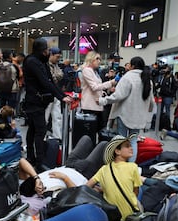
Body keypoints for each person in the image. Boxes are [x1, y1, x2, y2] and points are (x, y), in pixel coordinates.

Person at [22, 38, 72, 172]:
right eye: (46, 49)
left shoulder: (39, 61)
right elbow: (45, 82)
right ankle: (39, 162)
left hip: (39, 101)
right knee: (40, 131)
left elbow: (50, 80)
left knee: (33, 130)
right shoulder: (33, 61)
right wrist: (61, 97)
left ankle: (32, 157)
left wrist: (60, 95)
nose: (48, 52)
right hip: (34, 102)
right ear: (42, 50)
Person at [99, 57, 155, 162]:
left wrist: (104, 100)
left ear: (132, 66)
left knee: (121, 140)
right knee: (133, 141)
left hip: (124, 114)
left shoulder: (128, 77)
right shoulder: (147, 80)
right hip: (138, 117)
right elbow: (151, 101)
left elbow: (118, 96)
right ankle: (130, 166)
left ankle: (122, 165)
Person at [86, 135, 142, 221]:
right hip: (129, 215)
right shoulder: (133, 167)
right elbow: (136, 191)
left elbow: (87, 186)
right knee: (139, 189)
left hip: (112, 216)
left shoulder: (103, 169)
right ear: (117, 151)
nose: (131, 148)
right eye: (127, 146)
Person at [80, 51, 117, 137]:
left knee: (100, 131)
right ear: (91, 59)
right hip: (90, 106)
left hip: (97, 104)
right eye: (97, 59)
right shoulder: (87, 70)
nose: (99, 61)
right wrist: (110, 82)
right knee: (92, 133)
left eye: (99, 59)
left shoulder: (94, 72)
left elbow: (97, 87)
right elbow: (94, 87)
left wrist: (104, 92)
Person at [45, 47, 64, 140]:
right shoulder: (45, 65)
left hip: (55, 93)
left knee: (57, 116)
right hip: (47, 94)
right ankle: (42, 138)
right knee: (45, 117)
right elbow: (54, 77)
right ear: (51, 55)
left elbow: (59, 76)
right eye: (57, 57)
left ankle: (58, 137)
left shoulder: (56, 65)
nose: (58, 59)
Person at [158, 66, 178, 131]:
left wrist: (171, 93)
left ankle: (167, 125)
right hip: (161, 96)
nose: (164, 70)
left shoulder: (171, 78)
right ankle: (159, 124)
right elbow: (160, 85)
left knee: (167, 110)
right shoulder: (163, 77)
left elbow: (176, 86)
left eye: (166, 69)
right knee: (160, 110)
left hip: (168, 97)